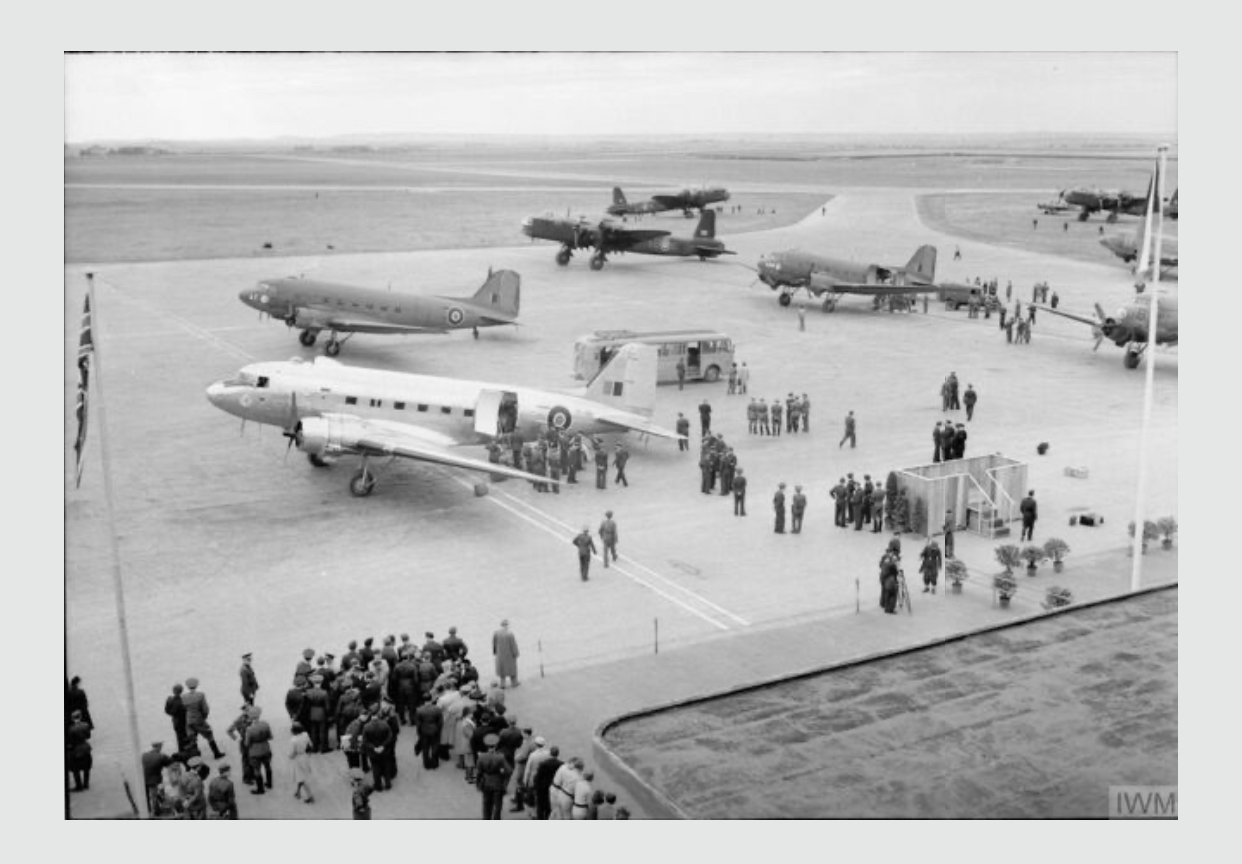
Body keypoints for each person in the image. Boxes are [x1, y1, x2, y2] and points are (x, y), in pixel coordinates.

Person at [182, 677, 226, 760]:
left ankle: (195, 757)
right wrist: (204, 717)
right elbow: (205, 709)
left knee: (192, 738)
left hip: (189, 720)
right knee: (209, 735)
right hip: (199, 719)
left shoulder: (184, 697)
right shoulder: (200, 695)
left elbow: (184, 708)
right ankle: (216, 753)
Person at [476, 733, 512, 819]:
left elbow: (479, 772)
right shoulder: (500, 757)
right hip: (498, 784)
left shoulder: (481, 757)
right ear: (495, 745)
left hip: (486, 783)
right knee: (498, 805)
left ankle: (486, 818)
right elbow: (509, 771)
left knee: (486, 804)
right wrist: (501, 772)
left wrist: (478, 784)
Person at [244, 706, 273, 794]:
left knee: (257, 770)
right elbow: (271, 737)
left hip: (255, 751)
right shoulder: (265, 724)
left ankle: (260, 789)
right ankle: (269, 783)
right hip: (266, 748)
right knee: (268, 766)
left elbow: (247, 743)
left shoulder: (249, 729)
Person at [532, 745, 563, 820]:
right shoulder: (561, 764)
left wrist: (535, 786)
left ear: (550, 753)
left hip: (542, 788)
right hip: (554, 788)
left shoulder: (543, 764)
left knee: (540, 807)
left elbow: (538, 777)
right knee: (549, 807)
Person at [142, 741, 173, 815]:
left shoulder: (144, 755)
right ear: (160, 747)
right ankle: (156, 812)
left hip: (143, 779)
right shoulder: (162, 756)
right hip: (155, 780)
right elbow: (170, 764)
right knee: (154, 797)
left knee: (146, 797)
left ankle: (147, 811)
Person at [289, 722, 315, 804]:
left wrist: (290, 756)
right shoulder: (305, 734)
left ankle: (310, 796)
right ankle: (298, 792)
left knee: (301, 778)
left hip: (298, 758)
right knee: (300, 775)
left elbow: (292, 753)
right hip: (305, 756)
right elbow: (310, 744)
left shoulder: (293, 740)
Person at [67, 710, 92, 791]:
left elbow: (70, 740)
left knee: (75, 768)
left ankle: (79, 785)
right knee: (86, 767)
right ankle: (86, 784)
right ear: (80, 716)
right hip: (85, 747)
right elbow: (88, 736)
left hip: (76, 749)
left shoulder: (71, 729)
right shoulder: (86, 725)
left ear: (72, 718)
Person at [493, 619, 520, 688]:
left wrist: (495, 652)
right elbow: (513, 645)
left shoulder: (496, 633)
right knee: (512, 671)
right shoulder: (510, 634)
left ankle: (502, 684)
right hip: (509, 656)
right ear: (507, 625)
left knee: (502, 672)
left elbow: (494, 644)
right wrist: (516, 653)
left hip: (500, 656)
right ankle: (514, 683)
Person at [165, 684, 188, 752]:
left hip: (177, 722)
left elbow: (167, 711)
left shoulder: (171, 700)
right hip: (185, 721)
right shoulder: (184, 700)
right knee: (186, 737)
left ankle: (182, 752)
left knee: (179, 738)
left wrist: (167, 703)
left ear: (174, 691)